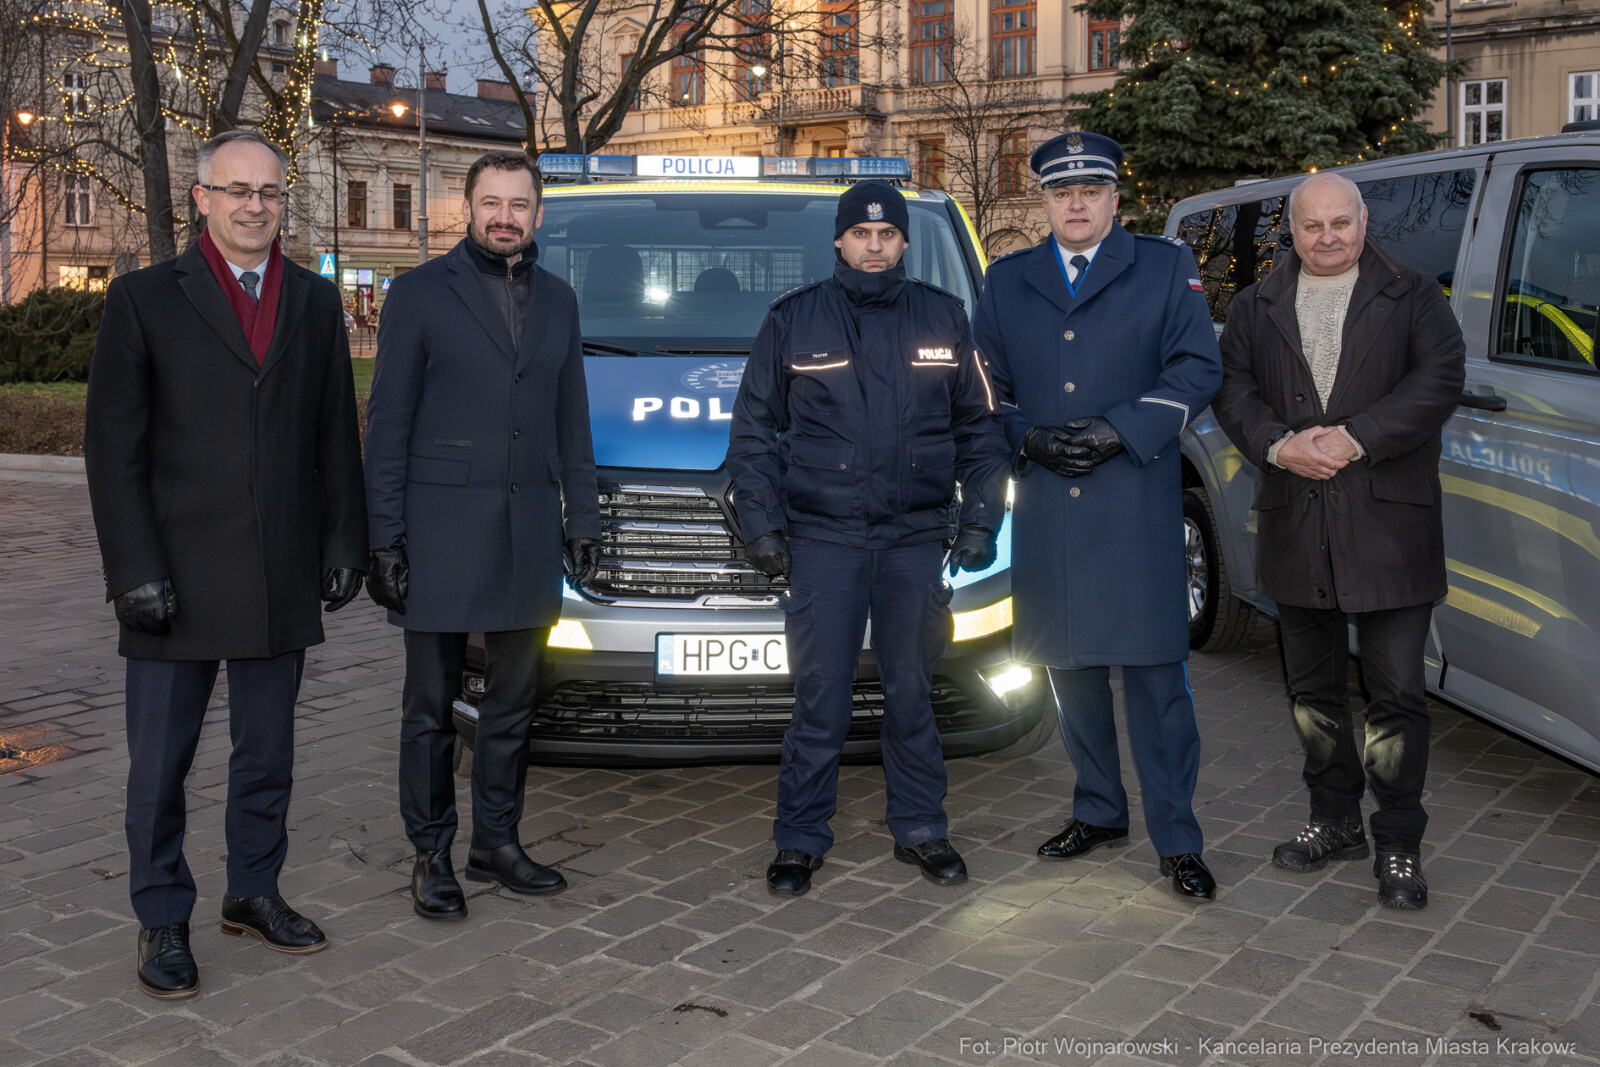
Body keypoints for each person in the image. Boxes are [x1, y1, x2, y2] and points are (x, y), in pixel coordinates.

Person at [84, 129, 368, 999]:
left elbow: (333, 433)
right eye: (238, 190)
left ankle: (253, 890)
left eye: (270, 192)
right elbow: (113, 449)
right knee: (159, 766)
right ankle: (162, 913)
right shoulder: (142, 298)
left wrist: (343, 541)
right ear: (201, 198)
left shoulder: (314, 301)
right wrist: (133, 569)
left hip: (279, 571)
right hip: (172, 578)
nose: (255, 205)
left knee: (268, 753)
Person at [726, 180, 1011, 897]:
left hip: (914, 539)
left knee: (911, 691)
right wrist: (762, 525)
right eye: (862, 234)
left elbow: (981, 430)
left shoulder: (944, 317)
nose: (875, 246)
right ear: (839, 240)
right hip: (824, 539)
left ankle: (921, 826)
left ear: (904, 241)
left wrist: (982, 519)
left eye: (887, 235)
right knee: (821, 695)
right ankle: (799, 836)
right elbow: (753, 434)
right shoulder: (794, 320)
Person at [974, 132, 1224, 901]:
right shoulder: (1007, 280)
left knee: (1157, 681)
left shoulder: (1163, 267)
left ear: (1116, 198)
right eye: (1062, 192)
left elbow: (1197, 367)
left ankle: (1178, 838)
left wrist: (1121, 429)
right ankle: (1099, 809)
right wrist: (1027, 437)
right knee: (1070, 671)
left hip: (1133, 501)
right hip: (1050, 505)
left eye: (1091, 190)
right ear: (1044, 200)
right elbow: (983, 387)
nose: (1076, 204)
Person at [1211, 172, 1465, 909]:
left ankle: (1399, 843)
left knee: (1396, 695)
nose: (1328, 238)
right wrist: (1276, 445)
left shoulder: (1414, 294)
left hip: (1390, 523)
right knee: (1312, 692)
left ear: (1363, 221)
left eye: (1340, 223)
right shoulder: (1256, 305)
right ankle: (1334, 820)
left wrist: (1356, 437)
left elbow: (1440, 378)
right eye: (1312, 225)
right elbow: (1232, 388)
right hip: (1297, 517)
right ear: (1291, 230)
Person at [363, 151, 601, 921]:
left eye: (519, 204)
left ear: (539, 214)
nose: (505, 217)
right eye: (491, 203)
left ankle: (496, 841)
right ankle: (431, 852)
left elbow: (572, 422)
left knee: (513, 703)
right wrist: (384, 538)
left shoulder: (560, 301)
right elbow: (388, 424)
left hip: (527, 533)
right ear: (466, 210)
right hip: (438, 534)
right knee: (430, 707)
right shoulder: (419, 294)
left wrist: (584, 520)